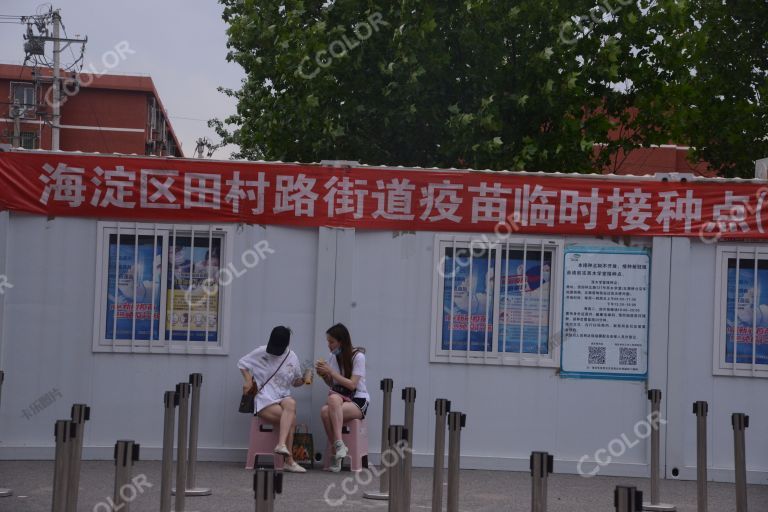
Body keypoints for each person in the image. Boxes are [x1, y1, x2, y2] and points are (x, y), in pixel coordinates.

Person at [237, 326, 307, 473]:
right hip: (263, 398)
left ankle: (281, 445)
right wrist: (249, 380)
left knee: (291, 403)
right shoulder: (261, 352)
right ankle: (288, 460)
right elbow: (242, 364)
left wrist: (304, 380)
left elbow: (295, 382)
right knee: (291, 418)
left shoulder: (292, 357)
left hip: (282, 396)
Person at [315, 323, 370, 472]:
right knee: (325, 410)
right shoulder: (333, 357)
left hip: (358, 399)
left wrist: (331, 372)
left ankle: (336, 448)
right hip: (341, 397)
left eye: (331, 342)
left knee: (330, 404)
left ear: (342, 341)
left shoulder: (358, 356)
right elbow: (332, 384)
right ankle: (339, 448)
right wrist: (324, 375)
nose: (329, 345)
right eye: (328, 341)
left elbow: (352, 385)